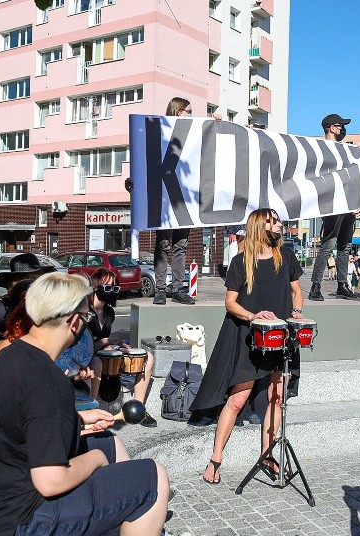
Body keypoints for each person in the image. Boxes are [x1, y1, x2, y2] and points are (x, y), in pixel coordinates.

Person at [0, 272, 169, 536]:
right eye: (86, 316)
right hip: (14, 519)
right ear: (75, 321)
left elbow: (16, 422)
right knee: (153, 477)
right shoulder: (47, 378)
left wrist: (75, 419)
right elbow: (50, 481)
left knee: (111, 443)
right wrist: (96, 459)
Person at [190, 208, 303, 484]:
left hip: (280, 336)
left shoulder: (286, 256)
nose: (278, 224)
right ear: (259, 227)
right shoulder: (241, 262)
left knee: (276, 397)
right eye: (273, 221)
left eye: (278, 220)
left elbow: (296, 292)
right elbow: (230, 302)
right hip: (247, 337)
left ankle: (268, 453)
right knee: (238, 399)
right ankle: (216, 458)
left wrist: (297, 312)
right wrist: (254, 316)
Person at [86, 268, 158, 427]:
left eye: (115, 288)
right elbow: (84, 347)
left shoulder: (109, 312)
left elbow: (106, 343)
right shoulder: (85, 311)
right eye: (107, 287)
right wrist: (107, 341)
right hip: (88, 358)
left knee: (147, 358)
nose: (111, 291)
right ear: (96, 287)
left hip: (105, 355)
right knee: (97, 362)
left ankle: (139, 409)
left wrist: (119, 346)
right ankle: (90, 409)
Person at [152, 97, 199, 306]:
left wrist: (215, 121)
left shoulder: (192, 133)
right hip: (164, 196)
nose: (191, 113)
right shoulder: (160, 131)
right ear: (178, 111)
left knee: (181, 245)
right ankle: (160, 289)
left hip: (184, 197)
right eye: (188, 110)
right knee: (163, 245)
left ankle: (177, 287)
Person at [309, 114, 359, 301]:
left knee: (345, 247)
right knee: (328, 246)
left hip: (347, 204)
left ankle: (341, 285)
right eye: (340, 126)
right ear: (331, 127)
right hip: (331, 203)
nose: (342, 130)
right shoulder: (321, 148)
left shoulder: (345, 150)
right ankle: (316, 285)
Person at [0, 253, 57, 332]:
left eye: (34, 278)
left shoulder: (46, 303)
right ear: (12, 282)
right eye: (24, 278)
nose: (30, 283)